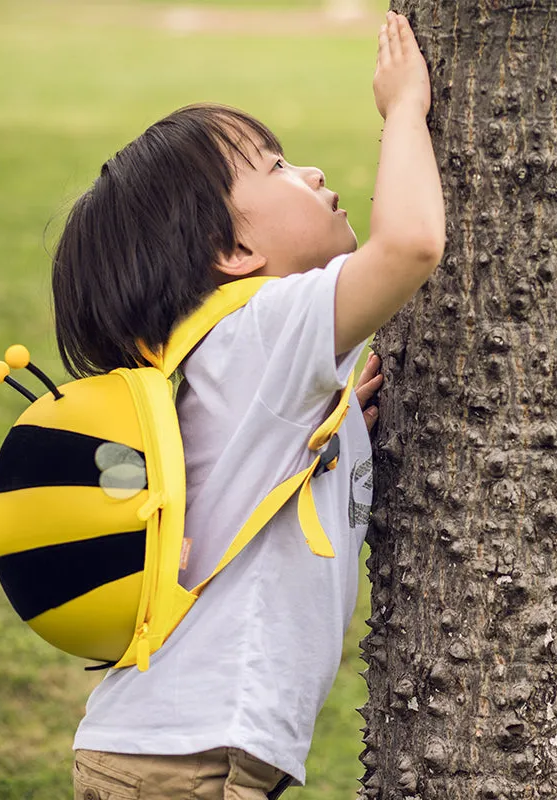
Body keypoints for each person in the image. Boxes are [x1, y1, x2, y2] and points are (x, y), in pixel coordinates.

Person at [52, 10, 445, 800]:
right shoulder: (264, 324)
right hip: (191, 759)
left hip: (164, 745)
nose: (310, 174)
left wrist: (340, 438)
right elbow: (409, 247)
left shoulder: (221, 354)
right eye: (275, 167)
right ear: (235, 256)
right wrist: (405, 110)